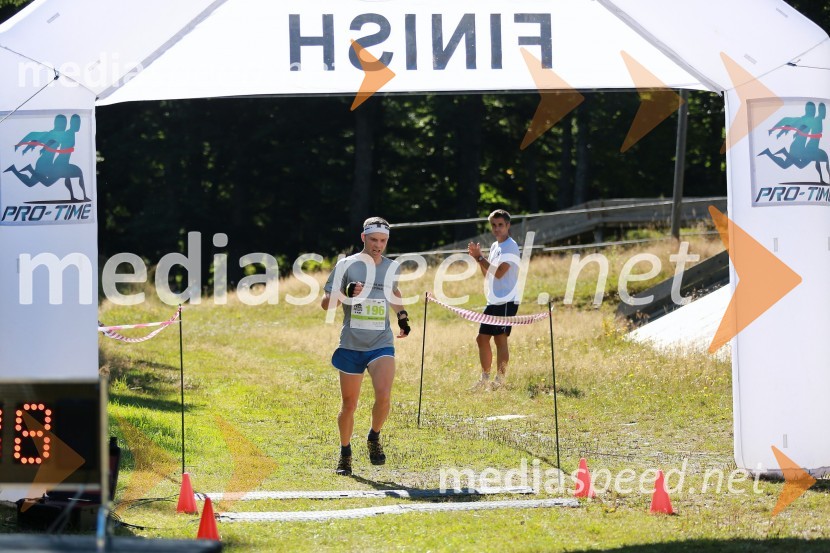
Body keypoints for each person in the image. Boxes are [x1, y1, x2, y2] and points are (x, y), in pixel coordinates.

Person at [321, 216, 411, 476]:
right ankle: (345, 453)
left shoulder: (391, 266)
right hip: (351, 344)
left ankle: (374, 437)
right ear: (363, 238)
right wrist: (346, 291)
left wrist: (402, 316)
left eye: (383, 241)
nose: (378, 245)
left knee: (384, 395)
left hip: (381, 342)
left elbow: (393, 293)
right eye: (373, 240)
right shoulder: (346, 265)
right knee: (349, 405)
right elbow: (326, 303)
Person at [467, 209, 521, 391]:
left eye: (500, 225)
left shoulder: (510, 247)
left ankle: (500, 381)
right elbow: (487, 274)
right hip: (493, 300)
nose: (497, 229)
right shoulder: (495, 247)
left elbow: (499, 273)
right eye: (494, 225)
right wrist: (478, 259)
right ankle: (485, 379)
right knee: (481, 339)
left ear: (508, 226)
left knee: (500, 339)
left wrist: (480, 258)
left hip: (507, 300)